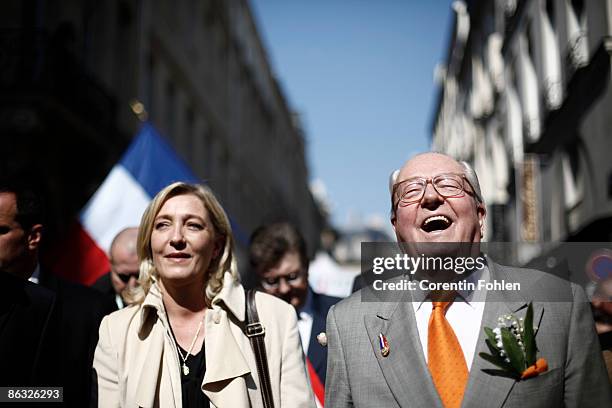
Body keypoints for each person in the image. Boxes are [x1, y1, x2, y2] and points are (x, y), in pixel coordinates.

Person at [325, 152, 612, 407]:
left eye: (449, 184)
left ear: (480, 215)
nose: (430, 197)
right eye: (411, 191)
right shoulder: (348, 323)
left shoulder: (561, 302)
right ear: (398, 231)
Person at [93, 182, 315, 407]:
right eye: (162, 225)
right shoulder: (116, 331)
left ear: (217, 246)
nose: (177, 238)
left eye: (193, 226)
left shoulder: (275, 318)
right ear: (149, 243)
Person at [0, 176, 114, 406]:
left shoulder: (89, 310)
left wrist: (7, 395)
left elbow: (81, 393)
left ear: (33, 237)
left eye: (0, 230)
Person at [250, 223, 341, 402]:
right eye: (271, 281)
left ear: (306, 266)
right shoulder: (247, 326)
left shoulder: (341, 313)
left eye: (292, 277)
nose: (283, 289)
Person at [92, 227, 140, 310]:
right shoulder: (95, 302)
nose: (132, 286)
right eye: (124, 277)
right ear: (111, 264)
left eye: (140, 275)